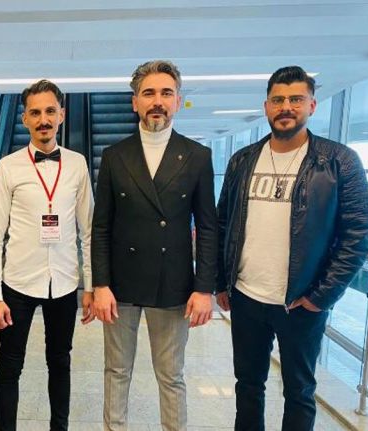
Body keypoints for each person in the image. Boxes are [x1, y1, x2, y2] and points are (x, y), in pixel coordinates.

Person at [216, 66, 368, 431]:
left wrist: (322, 296)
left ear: (312, 105)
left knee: (299, 391)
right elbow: (224, 223)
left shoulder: (339, 161)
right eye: (278, 100)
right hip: (247, 296)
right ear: (266, 107)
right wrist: (221, 282)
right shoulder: (243, 160)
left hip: (302, 301)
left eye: (296, 99)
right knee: (247, 385)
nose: (286, 107)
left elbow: (358, 233)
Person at [91, 60, 217, 431]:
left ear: (178, 100)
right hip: (121, 284)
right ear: (135, 102)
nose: (157, 101)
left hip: (174, 282)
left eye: (166, 93)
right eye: (148, 93)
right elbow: (101, 226)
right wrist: (100, 284)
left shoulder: (197, 156)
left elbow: (207, 227)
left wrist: (204, 288)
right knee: (116, 371)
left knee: (171, 374)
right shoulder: (115, 155)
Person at [0, 79, 94, 431]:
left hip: (63, 282)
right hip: (17, 283)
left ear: (62, 115)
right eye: (35, 113)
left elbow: (88, 231)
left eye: (50, 111)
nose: (43, 119)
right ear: (24, 119)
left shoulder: (77, 164)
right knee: (10, 365)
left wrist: (90, 286)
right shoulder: (8, 166)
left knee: (60, 361)